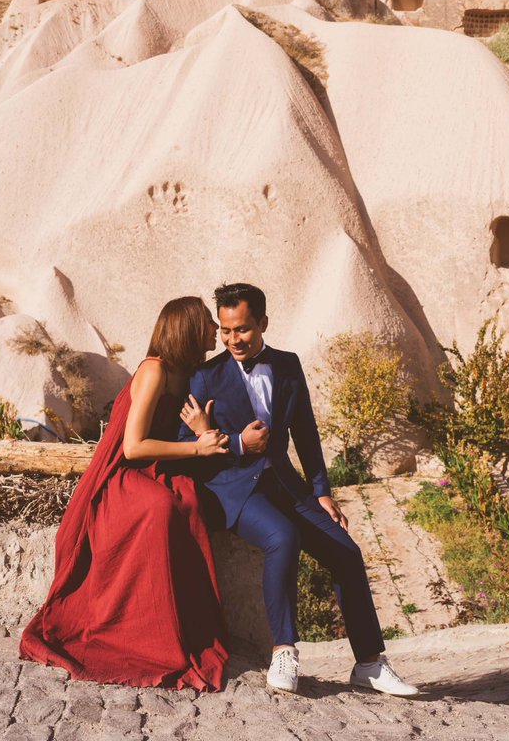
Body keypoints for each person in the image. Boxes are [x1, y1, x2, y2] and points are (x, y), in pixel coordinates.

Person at [178, 282, 420, 697]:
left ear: (263, 324)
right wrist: (235, 442)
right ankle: (284, 651)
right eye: (226, 329)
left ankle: (369, 664)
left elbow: (306, 433)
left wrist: (322, 491)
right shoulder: (205, 376)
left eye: (243, 329)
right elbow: (185, 443)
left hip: (286, 486)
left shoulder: (288, 365)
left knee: (347, 551)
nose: (234, 338)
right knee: (282, 537)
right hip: (233, 490)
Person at [20, 296, 231, 690]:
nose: (213, 329)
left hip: (158, 468)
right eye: (206, 322)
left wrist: (203, 434)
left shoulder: (189, 373)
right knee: (160, 506)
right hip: (122, 474)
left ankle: (178, 626)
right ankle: (138, 629)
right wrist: (197, 448)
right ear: (186, 327)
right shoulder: (155, 370)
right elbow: (133, 447)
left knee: (188, 501)